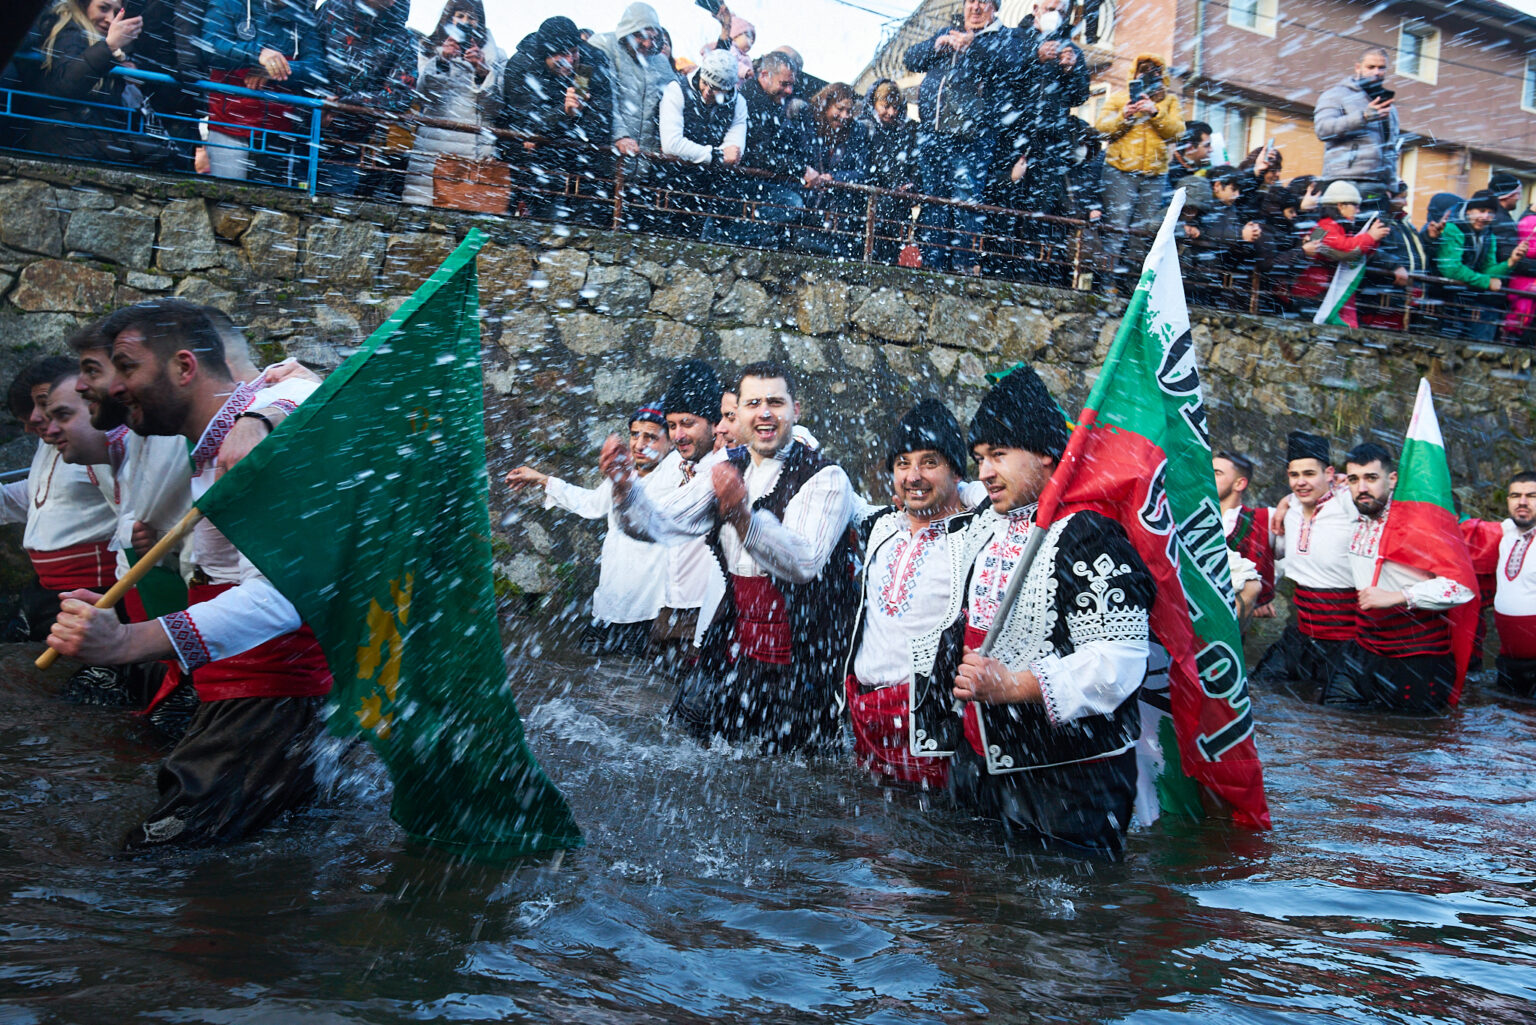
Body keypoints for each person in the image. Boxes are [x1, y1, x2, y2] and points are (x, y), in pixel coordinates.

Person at [45, 299, 328, 851]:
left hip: (269, 701)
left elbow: (283, 598)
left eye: (125, 367)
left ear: (183, 368)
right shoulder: (222, 435)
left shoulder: (255, 442)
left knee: (152, 863)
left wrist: (128, 640)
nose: (107, 386)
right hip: (241, 696)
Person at [945, 365, 1153, 860]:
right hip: (984, 769)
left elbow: (1119, 661)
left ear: (1045, 454)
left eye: (999, 455)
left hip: (1069, 785)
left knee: (1062, 931)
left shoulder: (1088, 534)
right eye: (979, 458)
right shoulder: (984, 525)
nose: (985, 472)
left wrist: (1014, 686)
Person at [604, 361, 859, 753]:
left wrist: (743, 518)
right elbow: (661, 525)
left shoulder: (826, 476)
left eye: (776, 401)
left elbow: (804, 563)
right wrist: (624, 489)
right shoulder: (727, 468)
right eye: (753, 402)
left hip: (806, 658)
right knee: (718, 757)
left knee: (796, 775)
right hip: (739, 651)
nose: (765, 412)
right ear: (737, 413)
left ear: (796, 410)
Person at [843, 399, 983, 789]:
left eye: (930, 462)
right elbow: (839, 492)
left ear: (956, 469)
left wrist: (966, 491)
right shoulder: (883, 526)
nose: (913, 476)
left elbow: (1015, 504)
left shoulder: (977, 534)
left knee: (924, 838)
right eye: (903, 463)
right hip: (865, 718)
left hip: (928, 725)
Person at [505, 404, 671, 655]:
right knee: (593, 663)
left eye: (650, 437)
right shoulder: (626, 474)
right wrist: (542, 479)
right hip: (613, 598)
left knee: (634, 673)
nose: (639, 444)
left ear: (670, 443)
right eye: (635, 435)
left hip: (648, 606)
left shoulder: (678, 478)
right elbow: (591, 504)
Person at [1332, 442, 1474, 713]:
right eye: (1353, 479)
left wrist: (1399, 596)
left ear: (1393, 479)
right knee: (1337, 725)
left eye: (1371, 478)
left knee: (1407, 743)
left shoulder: (1421, 523)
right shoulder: (1356, 506)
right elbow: (1315, 489)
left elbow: (1461, 587)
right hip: (1364, 651)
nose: (1362, 488)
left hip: (1417, 657)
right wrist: (1284, 504)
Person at [0, 357, 118, 644]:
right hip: (47, 589)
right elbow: (38, 497)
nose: (35, 419)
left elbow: (133, 514)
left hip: (93, 589)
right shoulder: (50, 443)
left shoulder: (95, 444)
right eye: (38, 405)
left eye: (48, 404)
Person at [903, 0, 1021, 272]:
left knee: (966, 202)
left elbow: (1013, 68)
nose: (975, 7)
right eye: (971, 1)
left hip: (972, 139)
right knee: (934, 202)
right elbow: (910, 58)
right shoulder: (947, 30)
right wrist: (936, 45)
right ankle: (934, 266)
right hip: (933, 132)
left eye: (983, 2)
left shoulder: (1005, 37)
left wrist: (974, 47)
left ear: (995, 7)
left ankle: (962, 267)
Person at [1253, 431, 1358, 698]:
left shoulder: (1350, 505)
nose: (1300, 482)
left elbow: (1383, 496)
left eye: (1309, 474)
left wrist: (1347, 485)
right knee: (1257, 688)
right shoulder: (1290, 510)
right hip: (1301, 636)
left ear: (1330, 473)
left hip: (1346, 641)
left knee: (1340, 712)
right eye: (1294, 475)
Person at [647, 361, 729, 675]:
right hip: (669, 607)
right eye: (671, 425)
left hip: (702, 612)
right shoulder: (675, 465)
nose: (678, 434)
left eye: (687, 423)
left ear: (713, 423)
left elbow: (664, 518)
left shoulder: (723, 468)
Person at [197, 0, 327, 185]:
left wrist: (279, 69)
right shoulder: (229, 3)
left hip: (278, 131)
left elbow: (318, 69)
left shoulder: (302, 18)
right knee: (226, 197)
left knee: (271, 204)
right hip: (228, 124)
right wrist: (257, 54)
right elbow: (210, 47)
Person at [499, 16, 613, 224]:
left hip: (583, 167)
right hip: (539, 170)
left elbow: (603, 117)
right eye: (561, 55)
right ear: (545, 56)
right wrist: (563, 112)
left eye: (574, 52)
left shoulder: (591, 60)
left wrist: (570, 120)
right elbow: (524, 123)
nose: (570, 61)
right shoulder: (521, 65)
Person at [31, 0, 159, 165]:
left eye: (115, 12)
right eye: (103, 8)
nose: (110, 19)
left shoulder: (93, 39)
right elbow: (68, 84)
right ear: (83, 5)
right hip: (66, 143)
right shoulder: (70, 31)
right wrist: (109, 47)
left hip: (79, 141)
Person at [401, 0, 503, 207]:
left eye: (472, 17)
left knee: (470, 220)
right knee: (423, 214)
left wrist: (482, 72)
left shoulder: (496, 56)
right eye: (460, 16)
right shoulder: (427, 49)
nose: (466, 22)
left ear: (480, 22)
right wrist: (442, 61)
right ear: (449, 17)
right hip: (434, 145)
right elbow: (423, 96)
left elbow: (496, 108)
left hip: (476, 149)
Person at [316, 0, 418, 199]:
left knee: (331, 213)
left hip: (348, 145)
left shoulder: (402, 39)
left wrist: (345, 104)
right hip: (299, 129)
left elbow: (401, 95)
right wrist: (318, 98)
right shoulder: (333, 10)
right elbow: (307, 54)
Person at [1094, 54, 1183, 277]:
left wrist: (1155, 112)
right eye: (1142, 72)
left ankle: (1134, 284)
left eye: (1154, 72)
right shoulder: (1119, 99)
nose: (1148, 76)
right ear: (1134, 76)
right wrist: (1124, 116)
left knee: (1144, 232)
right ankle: (1107, 283)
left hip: (1154, 175)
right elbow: (1101, 129)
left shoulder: (1169, 102)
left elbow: (1178, 132)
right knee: (1116, 227)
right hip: (1119, 171)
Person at [731, 51, 813, 249]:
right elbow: (757, 154)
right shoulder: (750, 101)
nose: (788, 91)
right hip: (740, 180)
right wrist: (800, 169)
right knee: (791, 203)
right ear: (764, 75)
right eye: (784, 84)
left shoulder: (770, 102)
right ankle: (744, 245)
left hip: (755, 180)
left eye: (791, 85)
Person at [585, 3, 675, 172]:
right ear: (628, 32)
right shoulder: (603, 46)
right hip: (606, 158)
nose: (649, 44)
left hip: (647, 161)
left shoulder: (661, 63)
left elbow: (673, 105)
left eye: (654, 38)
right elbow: (604, 98)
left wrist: (669, 141)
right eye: (642, 36)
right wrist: (619, 135)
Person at [1289, 180, 1389, 326]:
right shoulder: (1323, 227)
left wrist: (1375, 240)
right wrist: (1370, 237)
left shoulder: (1337, 227)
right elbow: (1344, 251)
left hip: (1321, 294)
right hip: (1312, 296)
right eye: (1355, 205)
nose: (1358, 211)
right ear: (1340, 206)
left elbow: (1355, 252)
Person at [1314, 46, 1400, 215]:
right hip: (1344, 181)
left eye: (1381, 68)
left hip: (1377, 186)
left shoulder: (1388, 106)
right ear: (1358, 67)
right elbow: (1323, 129)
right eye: (1371, 67)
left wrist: (1392, 187)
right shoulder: (1336, 94)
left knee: (1375, 238)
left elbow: (1390, 149)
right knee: (1335, 235)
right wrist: (1364, 117)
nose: (1376, 72)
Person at [1436, 188, 1527, 343]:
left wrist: (1511, 262)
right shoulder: (1453, 228)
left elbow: (1487, 268)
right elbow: (1451, 268)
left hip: (1465, 300)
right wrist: (1486, 282)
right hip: (1443, 298)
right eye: (1481, 210)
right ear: (1469, 211)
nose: (1485, 217)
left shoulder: (1488, 235)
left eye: (1490, 213)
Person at [800, 82, 869, 257]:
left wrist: (833, 178)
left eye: (849, 111)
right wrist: (809, 174)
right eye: (839, 109)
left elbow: (863, 172)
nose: (844, 116)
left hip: (841, 209)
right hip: (808, 199)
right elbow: (798, 156)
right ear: (826, 104)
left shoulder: (858, 131)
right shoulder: (808, 121)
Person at [1357, 180, 1430, 332]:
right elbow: (1370, 249)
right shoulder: (1378, 221)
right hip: (1383, 297)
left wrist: (1430, 237)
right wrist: (1393, 265)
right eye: (1401, 197)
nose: (1405, 203)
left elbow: (1417, 254)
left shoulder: (1405, 224)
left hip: (1405, 297)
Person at [861, 77, 918, 263]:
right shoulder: (865, 127)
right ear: (874, 103)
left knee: (892, 248)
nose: (891, 113)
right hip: (873, 199)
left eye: (895, 107)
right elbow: (870, 164)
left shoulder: (906, 131)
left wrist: (910, 185)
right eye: (885, 106)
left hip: (898, 203)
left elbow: (912, 163)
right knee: (870, 243)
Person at [1213, 451, 1275, 617]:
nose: (1207, 477)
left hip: (1231, 624)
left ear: (1240, 483)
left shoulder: (1265, 519)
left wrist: (1262, 595)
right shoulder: (1189, 516)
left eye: (1216, 473)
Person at [1493, 471, 1536, 697]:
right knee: (1508, 721)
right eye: (1515, 495)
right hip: (1508, 662)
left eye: (1531, 495)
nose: (1522, 502)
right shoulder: (1504, 534)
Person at [1165, 119, 1212, 195]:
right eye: (1207, 145)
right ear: (1190, 148)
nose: (1211, 150)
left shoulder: (1205, 171)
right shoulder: (1170, 176)